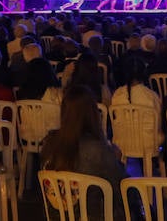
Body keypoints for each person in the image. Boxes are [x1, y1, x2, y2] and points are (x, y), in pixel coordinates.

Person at [41, 84, 126, 220]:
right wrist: (116, 160)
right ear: (92, 114)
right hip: (94, 215)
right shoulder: (98, 150)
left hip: (58, 216)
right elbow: (120, 190)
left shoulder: (49, 143)